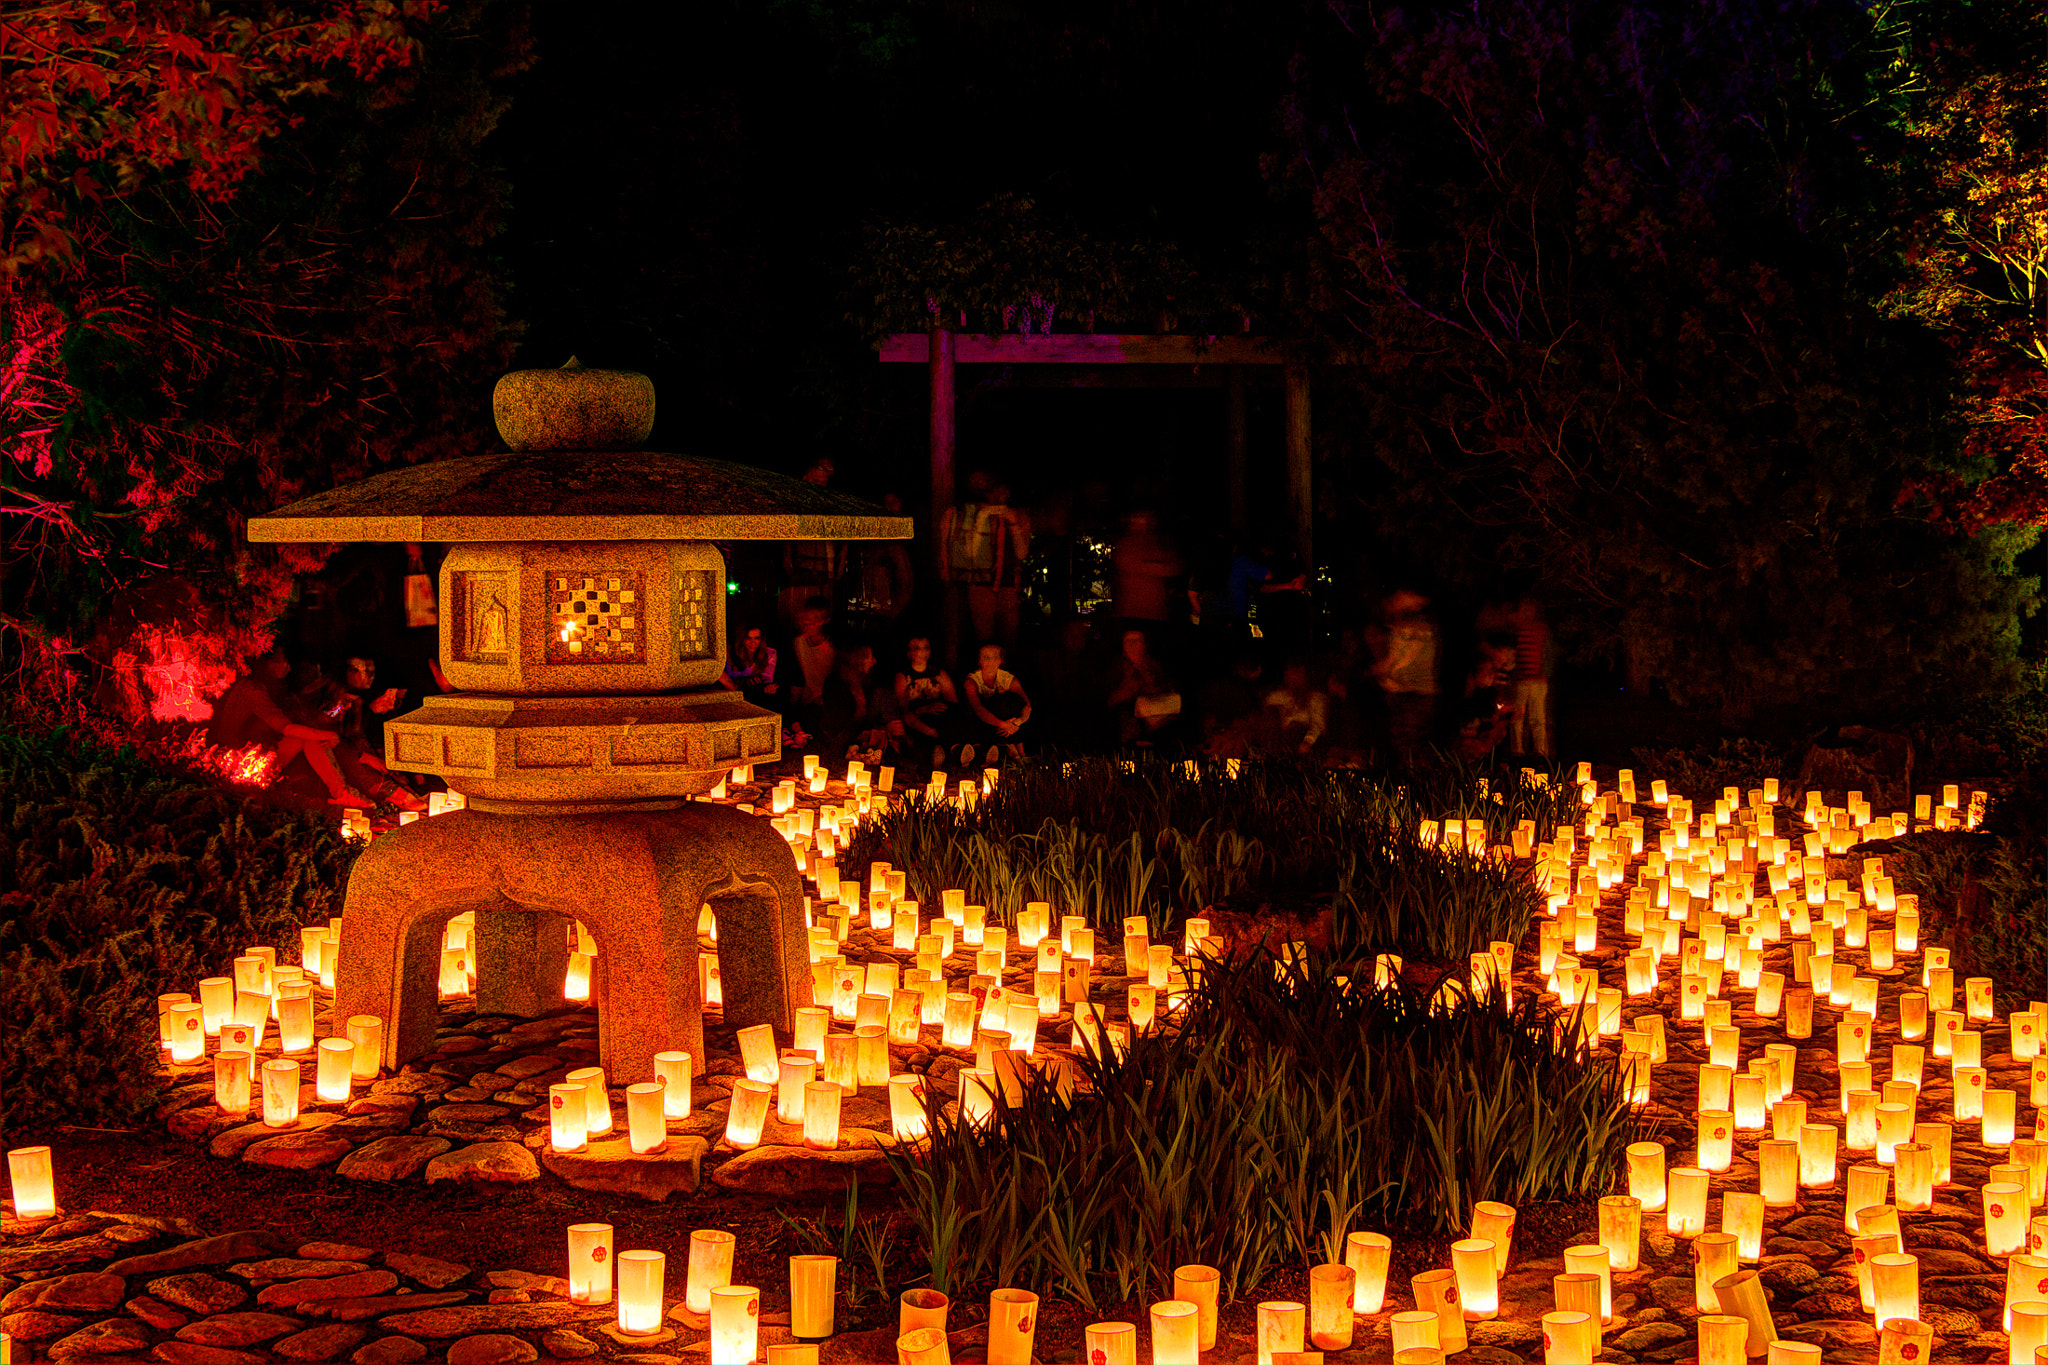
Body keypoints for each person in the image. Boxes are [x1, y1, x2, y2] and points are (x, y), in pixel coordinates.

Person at [208, 652, 373, 808]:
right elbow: (287, 728)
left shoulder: (272, 687)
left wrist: (333, 716)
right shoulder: (252, 689)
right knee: (312, 737)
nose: (288, 667)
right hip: (238, 761)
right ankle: (341, 793)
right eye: (283, 660)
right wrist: (329, 735)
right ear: (268, 663)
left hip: (258, 753)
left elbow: (306, 721)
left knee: (311, 738)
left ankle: (341, 793)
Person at [1376, 589, 1441, 763]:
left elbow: (1409, 655)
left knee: (1409, 742)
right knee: (1402, 741)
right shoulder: (1401, 625)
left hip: (1416, 693)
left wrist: (1389, 670)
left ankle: (1414, 782)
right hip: (1405, 691)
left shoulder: (1416, 626)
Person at [780, 458, 843, 628]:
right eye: (816, 481)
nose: (820, 485)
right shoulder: (794, 503)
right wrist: (788, 564)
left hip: (826, 575)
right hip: (800, 573)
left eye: (823, 482)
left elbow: (840, 542)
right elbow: (787, 536)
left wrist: (838, 570)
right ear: (805, 478)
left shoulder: (831, 505)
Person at [891, 636, 962, 770]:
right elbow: (902, 710)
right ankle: (950, 748)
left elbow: (953, 701)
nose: (922, 653)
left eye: (926, 648)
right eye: (917, 649)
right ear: (909, 653)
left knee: (948, 715)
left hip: (938, 718)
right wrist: (923, 710)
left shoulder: (939, 674)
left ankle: (946, 749)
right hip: (918, 721)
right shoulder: (903, 677)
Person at [1106, 627, 1179, 745]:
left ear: (1145, 645)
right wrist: (1124, 692)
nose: (1132, 645)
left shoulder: (1157, 669)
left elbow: (1172, 700)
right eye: (1128, 641)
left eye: (1137, 640)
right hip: (1124, 737)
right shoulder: (1115, 670)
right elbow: (1106, 702)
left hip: (1157, 734)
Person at [820, 642, 888, 766]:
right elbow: (838, 721)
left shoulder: (869, 682)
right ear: (857, 660)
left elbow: (872, 717)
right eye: (869, 657)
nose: (874, 661)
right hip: (841, 736)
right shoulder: (835, 683)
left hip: (862, 735)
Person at [1112, 509, 1183, 628]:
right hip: (1133, 614)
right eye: (1140, 520)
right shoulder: (1126, 545)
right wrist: (1160, 567)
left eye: (1147, 520)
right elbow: (1139, 566)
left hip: (1156, 613)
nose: (1145, 524)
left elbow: (1175, 566)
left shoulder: (1156, 543)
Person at [963, 642, 1034, 760]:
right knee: (1000, 702)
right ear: (979, 661)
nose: (991, 662)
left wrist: (1017, 722)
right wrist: (1003, 725)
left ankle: (1017, 747)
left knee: (1013, 699)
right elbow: (978, 709)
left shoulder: (1008, 678)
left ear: (1001, 660)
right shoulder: (972, 681)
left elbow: (1027, 706)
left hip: (1008, 725)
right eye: (986, 658)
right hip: (983, 723)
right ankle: (1012, 747)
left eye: (995, 657)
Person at [1508, 597, 1555, 760]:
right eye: (1524, 609)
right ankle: (1517, 751)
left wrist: (1545, 673)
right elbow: (1512, 653)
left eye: (1530, 609)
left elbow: (1548, 652)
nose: (1527, 612)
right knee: (1517, 716)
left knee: (1538, 717)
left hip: (1538, 680)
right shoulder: (1516, 629)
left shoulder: (1541, 629)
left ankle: (1540, 751)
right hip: (1521, 680)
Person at [788, 598, 836, 746]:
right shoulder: (798, 643)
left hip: (828, 701)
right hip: (807, 700)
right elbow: (796, 676)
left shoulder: (832, 647)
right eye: (805, 621)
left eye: (812, 621)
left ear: (823, 621)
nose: (807, 625)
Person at [1264, 659, 1330, 757]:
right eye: (1290, 673)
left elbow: (1318, 726)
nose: (1293, 677)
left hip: (1305, 741)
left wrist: (1307, 742)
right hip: (1281, 741)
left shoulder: (1317, 699)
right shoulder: (1277, 697)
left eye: (1297, 673)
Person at [719, 625, 780, 705]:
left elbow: (766, 680)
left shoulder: (769, 653)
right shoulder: (730, 652)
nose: (753, 642)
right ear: (742, 639)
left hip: (757, 697)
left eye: (757, 638)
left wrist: (768, 688)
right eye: (748, 638)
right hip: (731, 697)